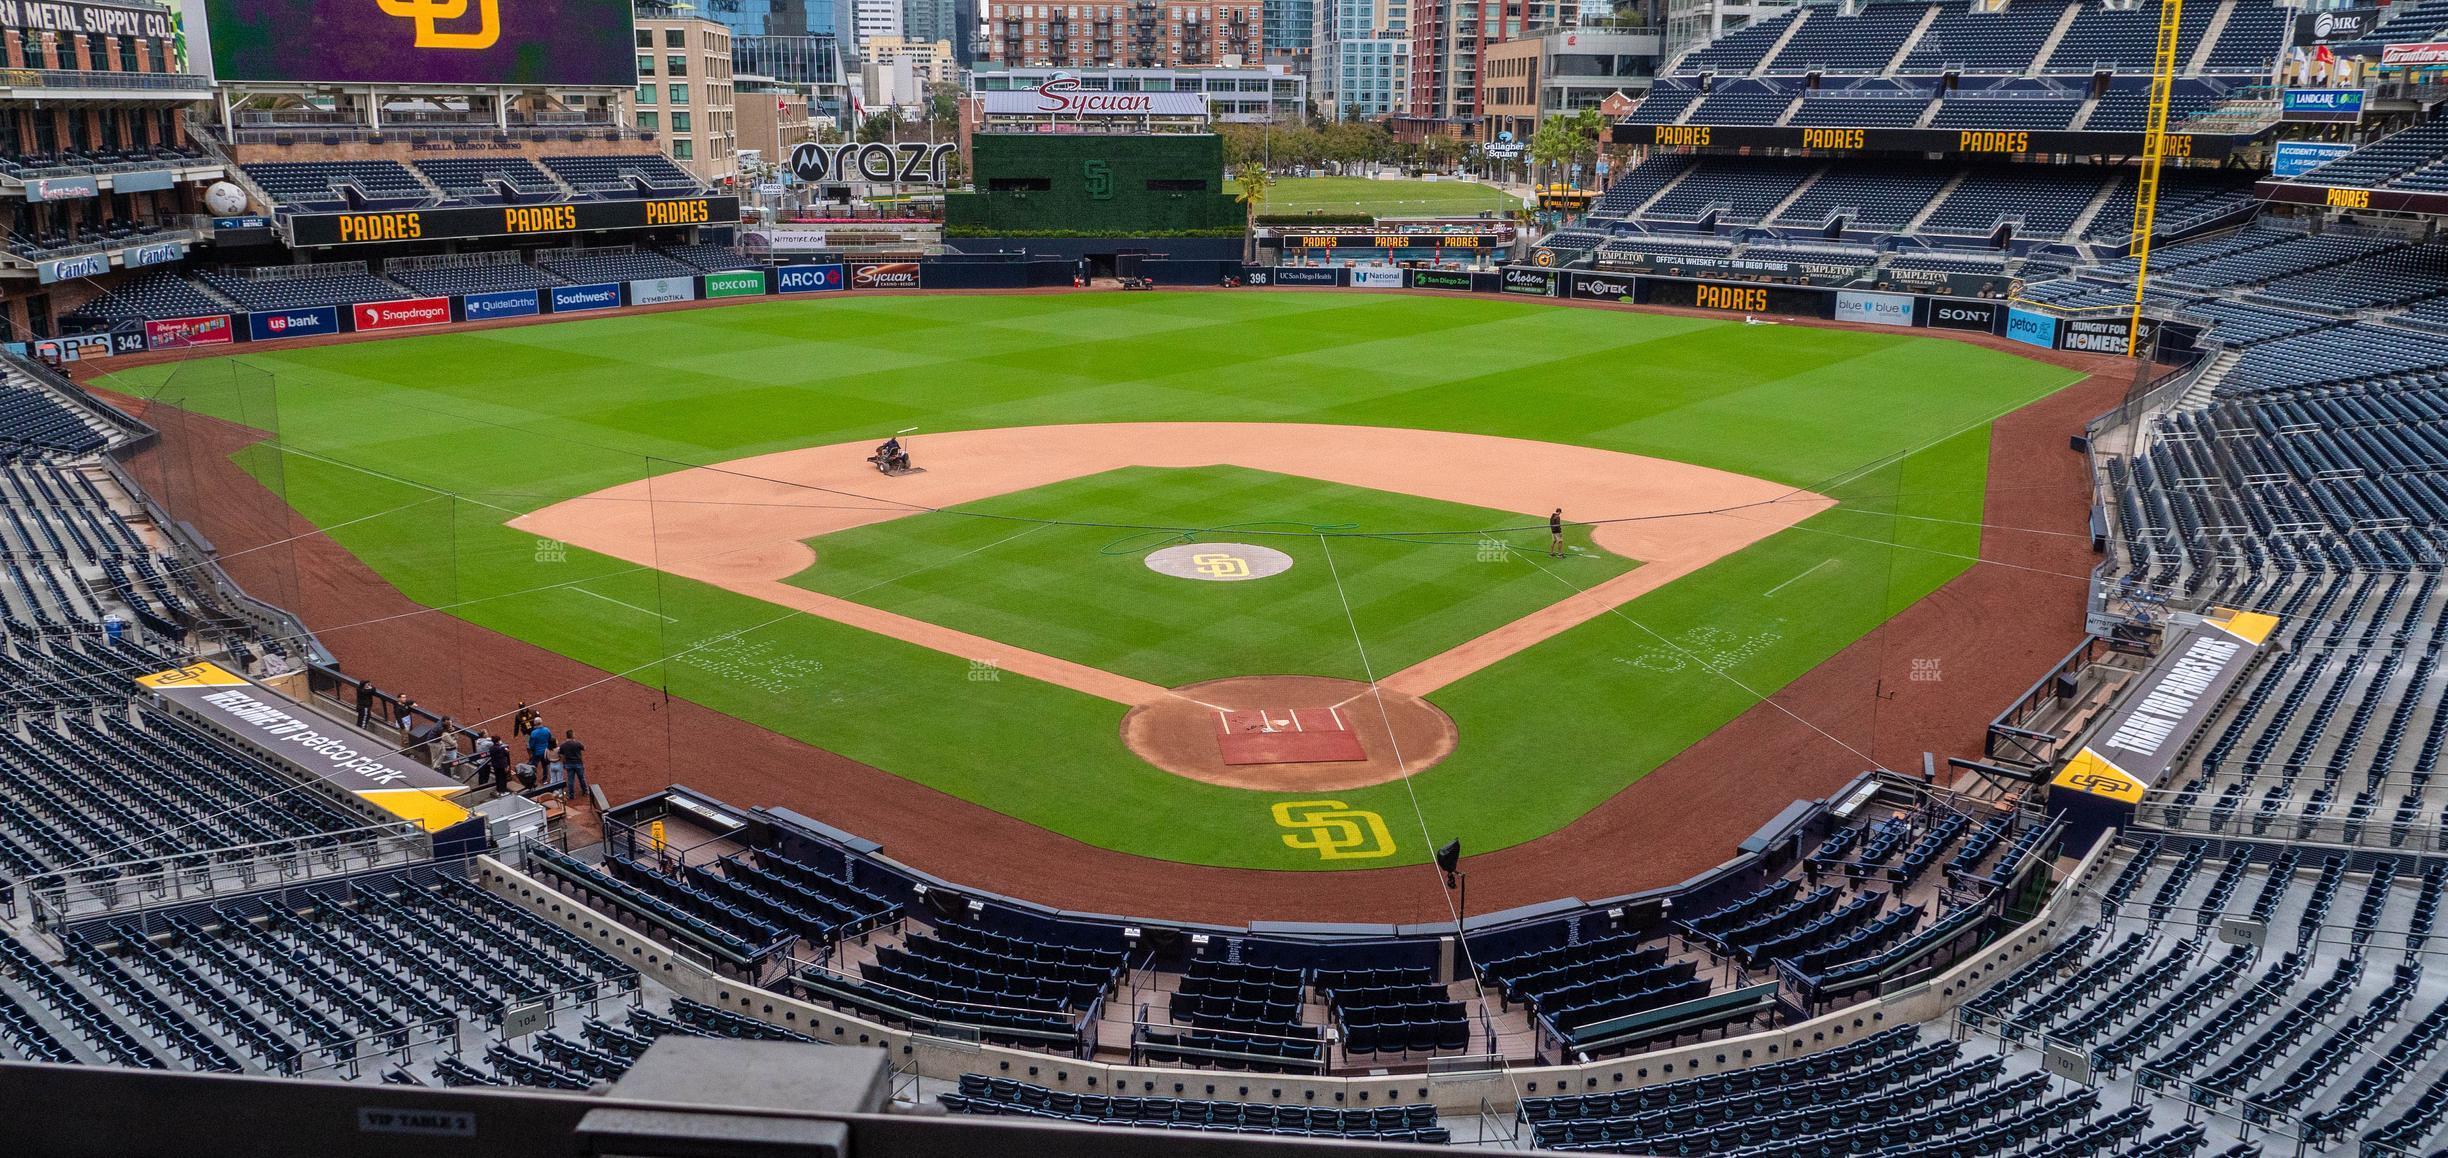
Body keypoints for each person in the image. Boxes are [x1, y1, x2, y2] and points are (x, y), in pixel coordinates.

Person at [557, 730, 588, 802]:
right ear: (572, 735)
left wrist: (564, 763)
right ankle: (585, 791)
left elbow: (561, 754)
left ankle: (571, 795)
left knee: (570, 780)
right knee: (582, 778)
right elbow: (584, 748)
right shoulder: (577, 743)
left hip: (569, 764)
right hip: (578, 763)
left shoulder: (563, 745)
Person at [526, 717, 553, 789]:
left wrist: (532, 751)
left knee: (534, 766)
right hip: (545, 752)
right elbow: (550, 739)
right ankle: (544, 780)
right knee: (545, 766)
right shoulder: (547, 730)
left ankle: (533, 780)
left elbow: (531, 745)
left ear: (535, 723)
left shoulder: (533, 733)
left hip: (537, 752)